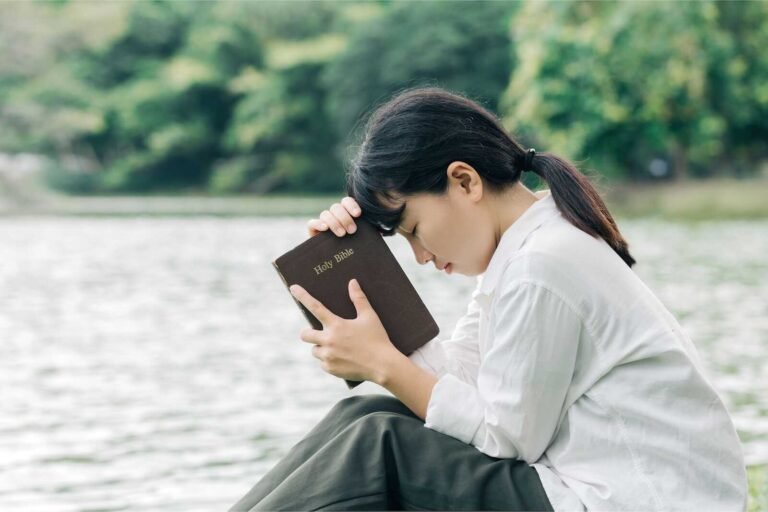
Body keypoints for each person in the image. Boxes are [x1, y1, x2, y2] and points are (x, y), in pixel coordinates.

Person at [229, 86, 747, 511]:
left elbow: (505, 437)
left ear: (464, 181)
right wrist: (357, 259)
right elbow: (465, 385)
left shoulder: (543, 263)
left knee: (378, 445)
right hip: (594, 486)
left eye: (413, 230)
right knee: (362, 415)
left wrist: (385, 363)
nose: (421, 256)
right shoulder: (527, 247)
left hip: (633, 501)